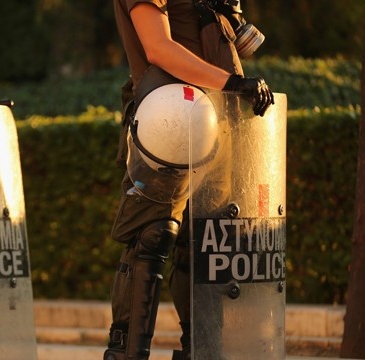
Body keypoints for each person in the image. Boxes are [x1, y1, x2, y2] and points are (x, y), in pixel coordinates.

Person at [104, 0, 274, 359]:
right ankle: (125, 354)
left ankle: (202, 350)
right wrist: (233, 81)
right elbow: (158, 46)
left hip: (218, 120)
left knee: (206, 242)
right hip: (168, 118)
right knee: (152, 235)